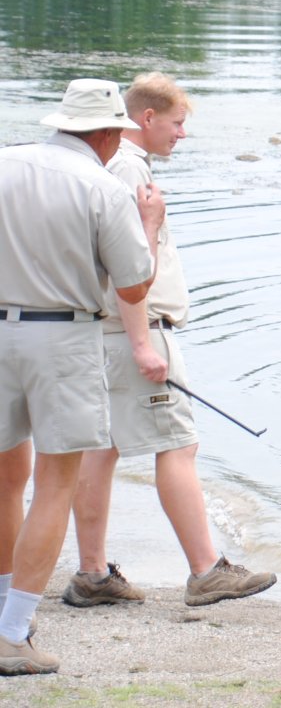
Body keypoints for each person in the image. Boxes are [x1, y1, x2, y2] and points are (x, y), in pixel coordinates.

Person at [65, 73, 275, 613]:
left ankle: (92, 573)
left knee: (100, 449)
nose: (182, 134)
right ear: (146, 118)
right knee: (178, 446)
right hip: (138, 328)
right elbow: (130, 269)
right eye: (177, 123)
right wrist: (143, 344)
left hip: (99, 331)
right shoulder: (131, 171)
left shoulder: (101, 166)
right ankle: (206, 571)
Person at [0, 78, 163, 676]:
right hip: (62, 337)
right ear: (106, 134)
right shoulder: (101, 185)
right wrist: (149, 223)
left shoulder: (4, 161)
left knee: (4, 479)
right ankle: (12, 633)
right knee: (54, 484)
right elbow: (134, 285)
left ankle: (2, 614)